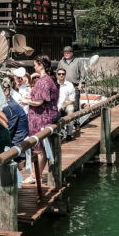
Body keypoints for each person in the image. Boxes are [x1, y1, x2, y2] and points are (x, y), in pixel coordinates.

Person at [24, 55, 59, 186]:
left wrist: (26, 100)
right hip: (42, 116)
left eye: (35, 64)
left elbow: (39, 102)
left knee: (41, 149)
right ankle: (35, 175)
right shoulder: (46, 80)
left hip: (42, 118)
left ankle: (34, 176)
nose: (33, 67)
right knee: (42, 149)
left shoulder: (44, 81)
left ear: (41, 65)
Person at [56, 68, 77, 139]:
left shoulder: (69, 85)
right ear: (57, 75)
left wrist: (64, 105)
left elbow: (72, 99)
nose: (61, 75)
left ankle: (69, 133)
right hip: (56, 104)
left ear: (65, 75)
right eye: (59, 74)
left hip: (66, 104)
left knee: (70, 110)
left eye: (63, 74)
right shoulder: (54, 84)